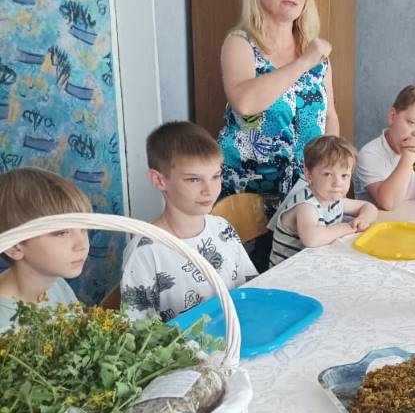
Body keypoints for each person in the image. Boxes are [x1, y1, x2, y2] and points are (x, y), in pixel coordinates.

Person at [217, 0, 339, 222]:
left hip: (303, 194)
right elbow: (245, 103)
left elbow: (330, 117)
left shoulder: (318, 56)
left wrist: (332, 172)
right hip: (246, 194)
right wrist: (304, 62)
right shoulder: (241, 44)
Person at [121, 122, 257, 322]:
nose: (209, 190)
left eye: (215, 176)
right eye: (193, 179)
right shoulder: (144, 251)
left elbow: (251, 289)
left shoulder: (222, 228)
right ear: (159, 180)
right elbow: (138, 330)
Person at [0, 168, 91, 331]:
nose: (82, 245)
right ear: (14, 247)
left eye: (83, 228)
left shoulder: (57, 285)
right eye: (61, 233)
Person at [268, 135, 378, 266]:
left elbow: (368, 207)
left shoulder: (334, 199)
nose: (338, 183)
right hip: (287, 271)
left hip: (314, 262)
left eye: (344, 175)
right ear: (309, 175)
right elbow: (312, 239)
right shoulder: (306, 205)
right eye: (328, 174)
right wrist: (348, 227)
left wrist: (363, 219)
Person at [354, 84, 415, 211]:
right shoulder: (369, 154)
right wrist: (409, 158)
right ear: (392, 116)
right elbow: (388, 203)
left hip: (414, 220)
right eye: (412, 122)